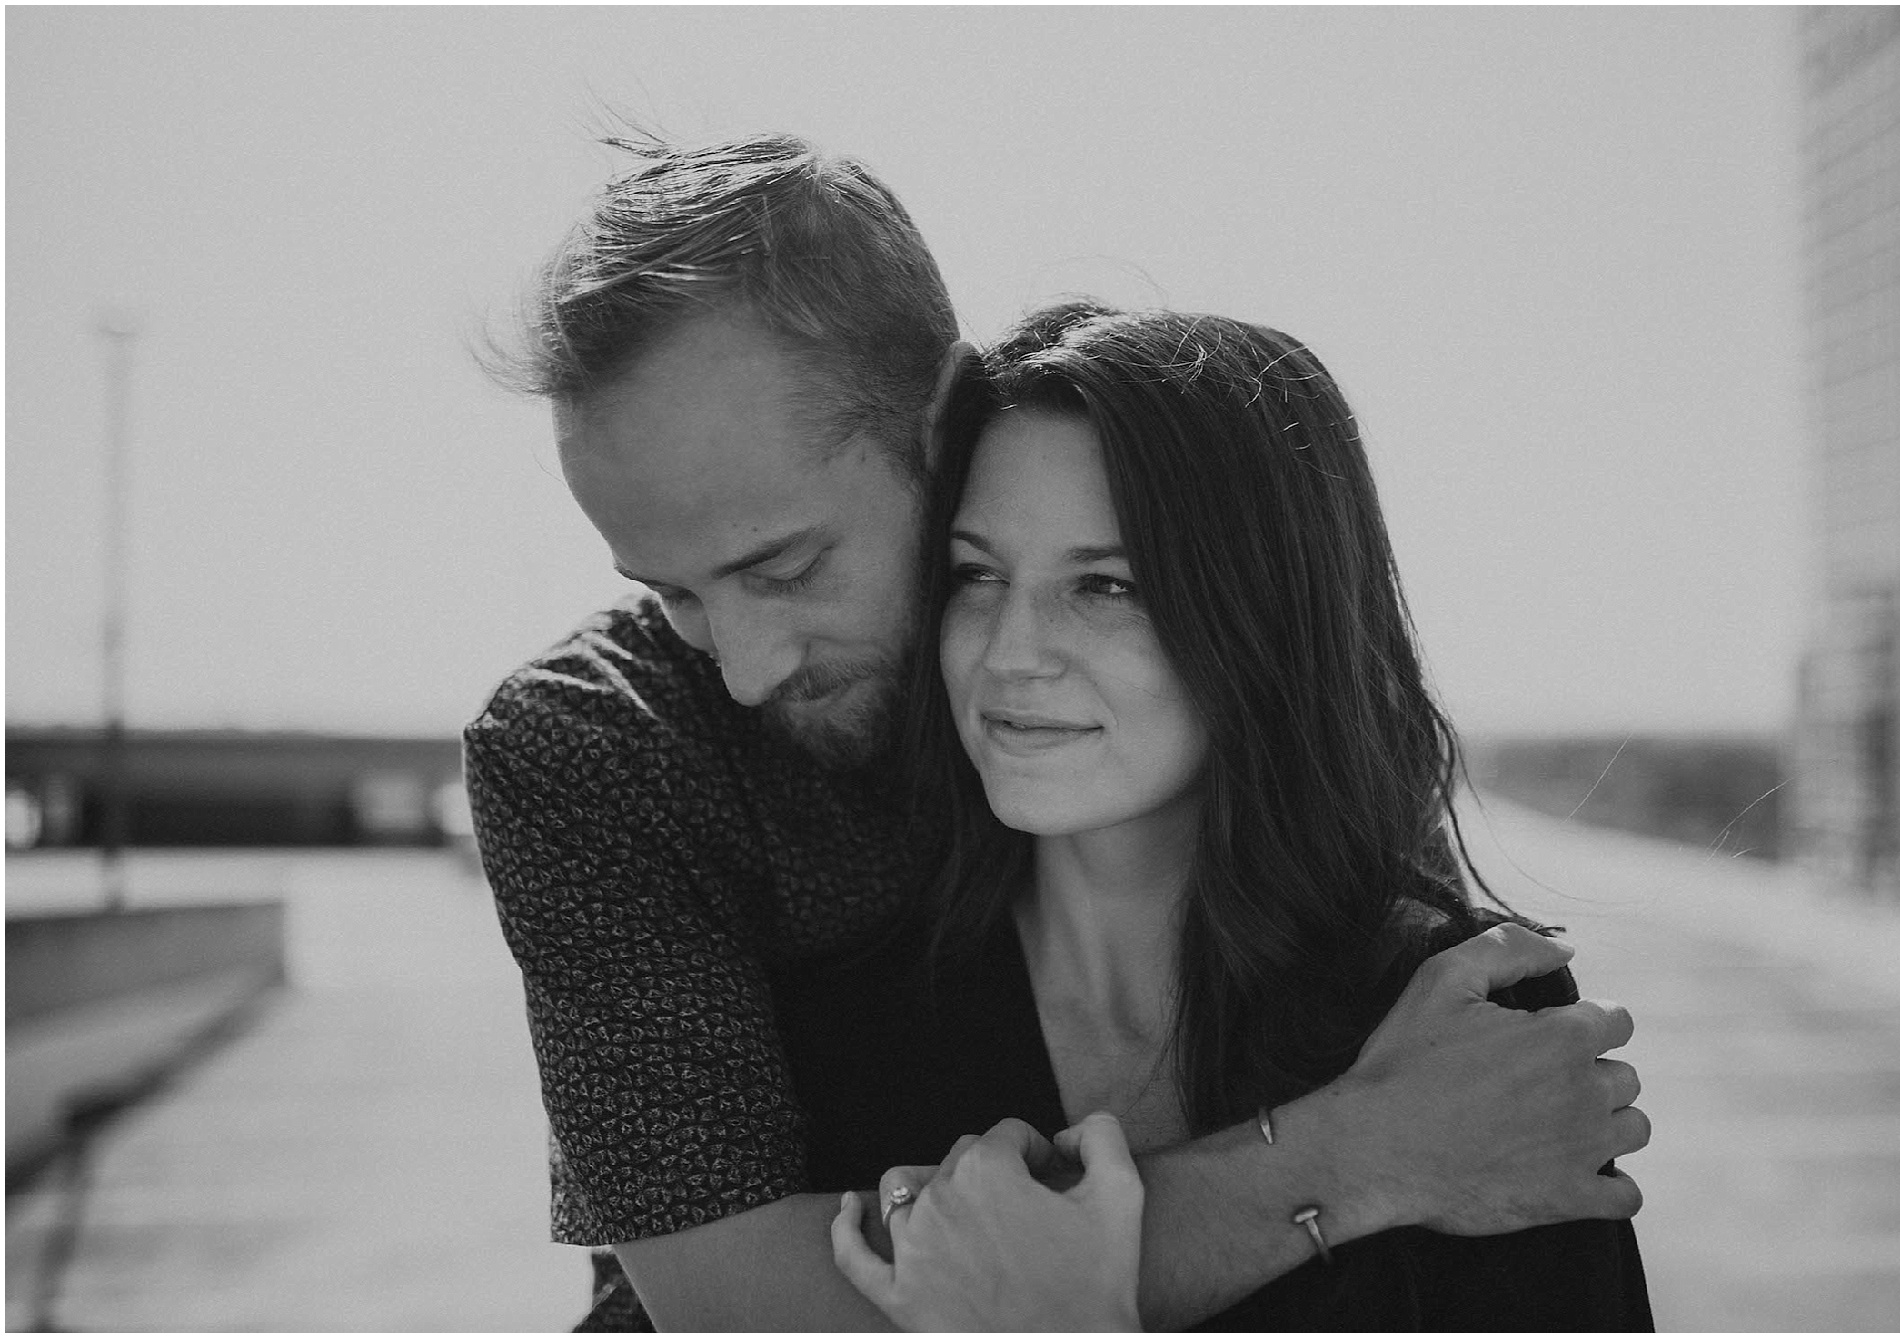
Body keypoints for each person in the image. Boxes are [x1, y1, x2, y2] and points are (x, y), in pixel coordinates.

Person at [467, 130, 1649, 1331]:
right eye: (668, 593)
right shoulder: (603, 758)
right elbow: (737, 1310)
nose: (745, 673)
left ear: (945, 429)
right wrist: (1340, 1160)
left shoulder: (1432, 1002)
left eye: (787, 568)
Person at [822, 303, 1652, 1329]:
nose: (1008, 651)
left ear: (1262, 612)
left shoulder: (1459, 1014)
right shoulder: (845, 1017)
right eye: (976, 575)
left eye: (1105, 584)